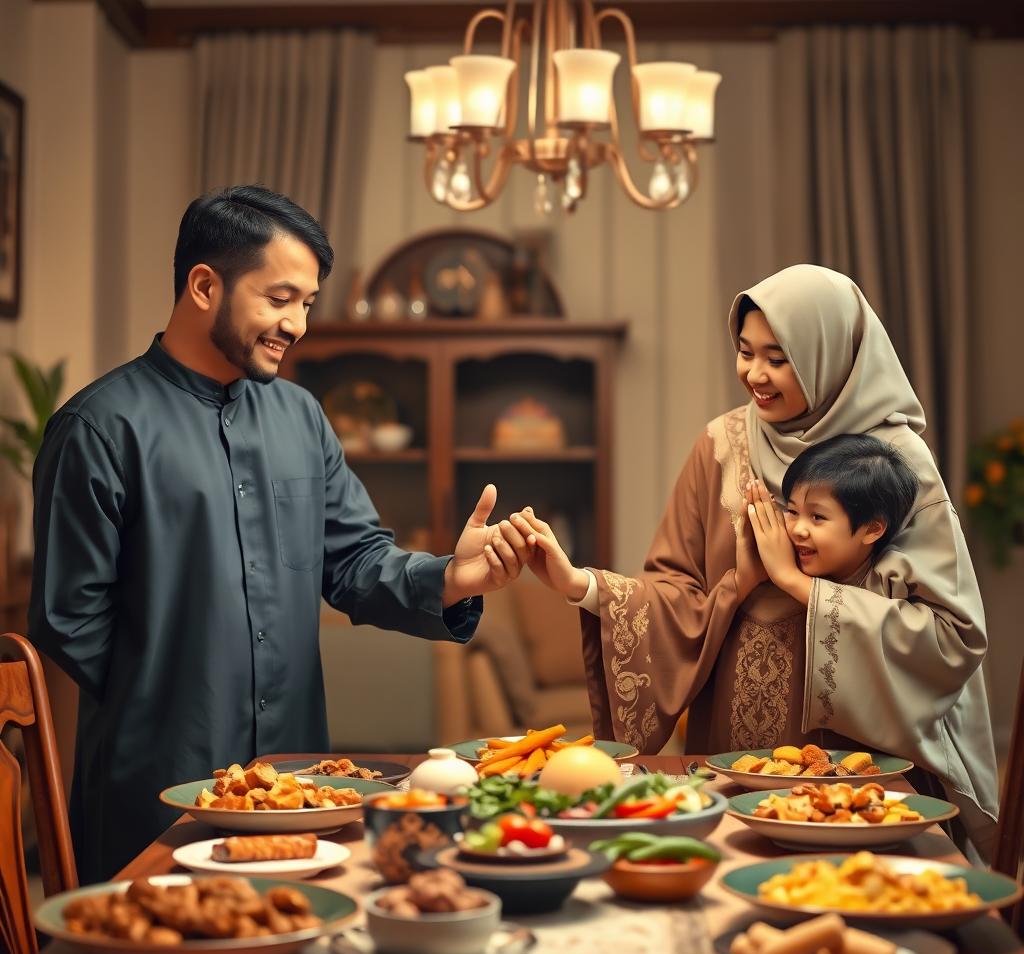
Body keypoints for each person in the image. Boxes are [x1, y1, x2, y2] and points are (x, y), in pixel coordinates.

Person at [29, 185, 531, 882]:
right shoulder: (99, 428)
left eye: (307, 304)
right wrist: (178, 692)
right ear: (204, 285)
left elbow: (354, 561)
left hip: (299, 791)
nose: (297, 324)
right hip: (154, 792)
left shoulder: (301, 416)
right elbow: (67, 617)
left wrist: (451, 578)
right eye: (279, 298)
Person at [510, 264, 998, 865]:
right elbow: (675, 589)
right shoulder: (720, 445)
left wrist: (798, 586)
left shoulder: (896, 462)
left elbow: (951, 635)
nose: (754, 375)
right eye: (745, 353)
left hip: (867, 762)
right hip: (734, 748)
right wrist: (580, 584)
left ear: (827, 355)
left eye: (778, 358)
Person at [744, 433, 920, 605]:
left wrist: (788, 576)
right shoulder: (785, 556)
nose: (798, 530)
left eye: (817, 517)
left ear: (871, 529)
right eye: (792, 511)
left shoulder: (896, 582)